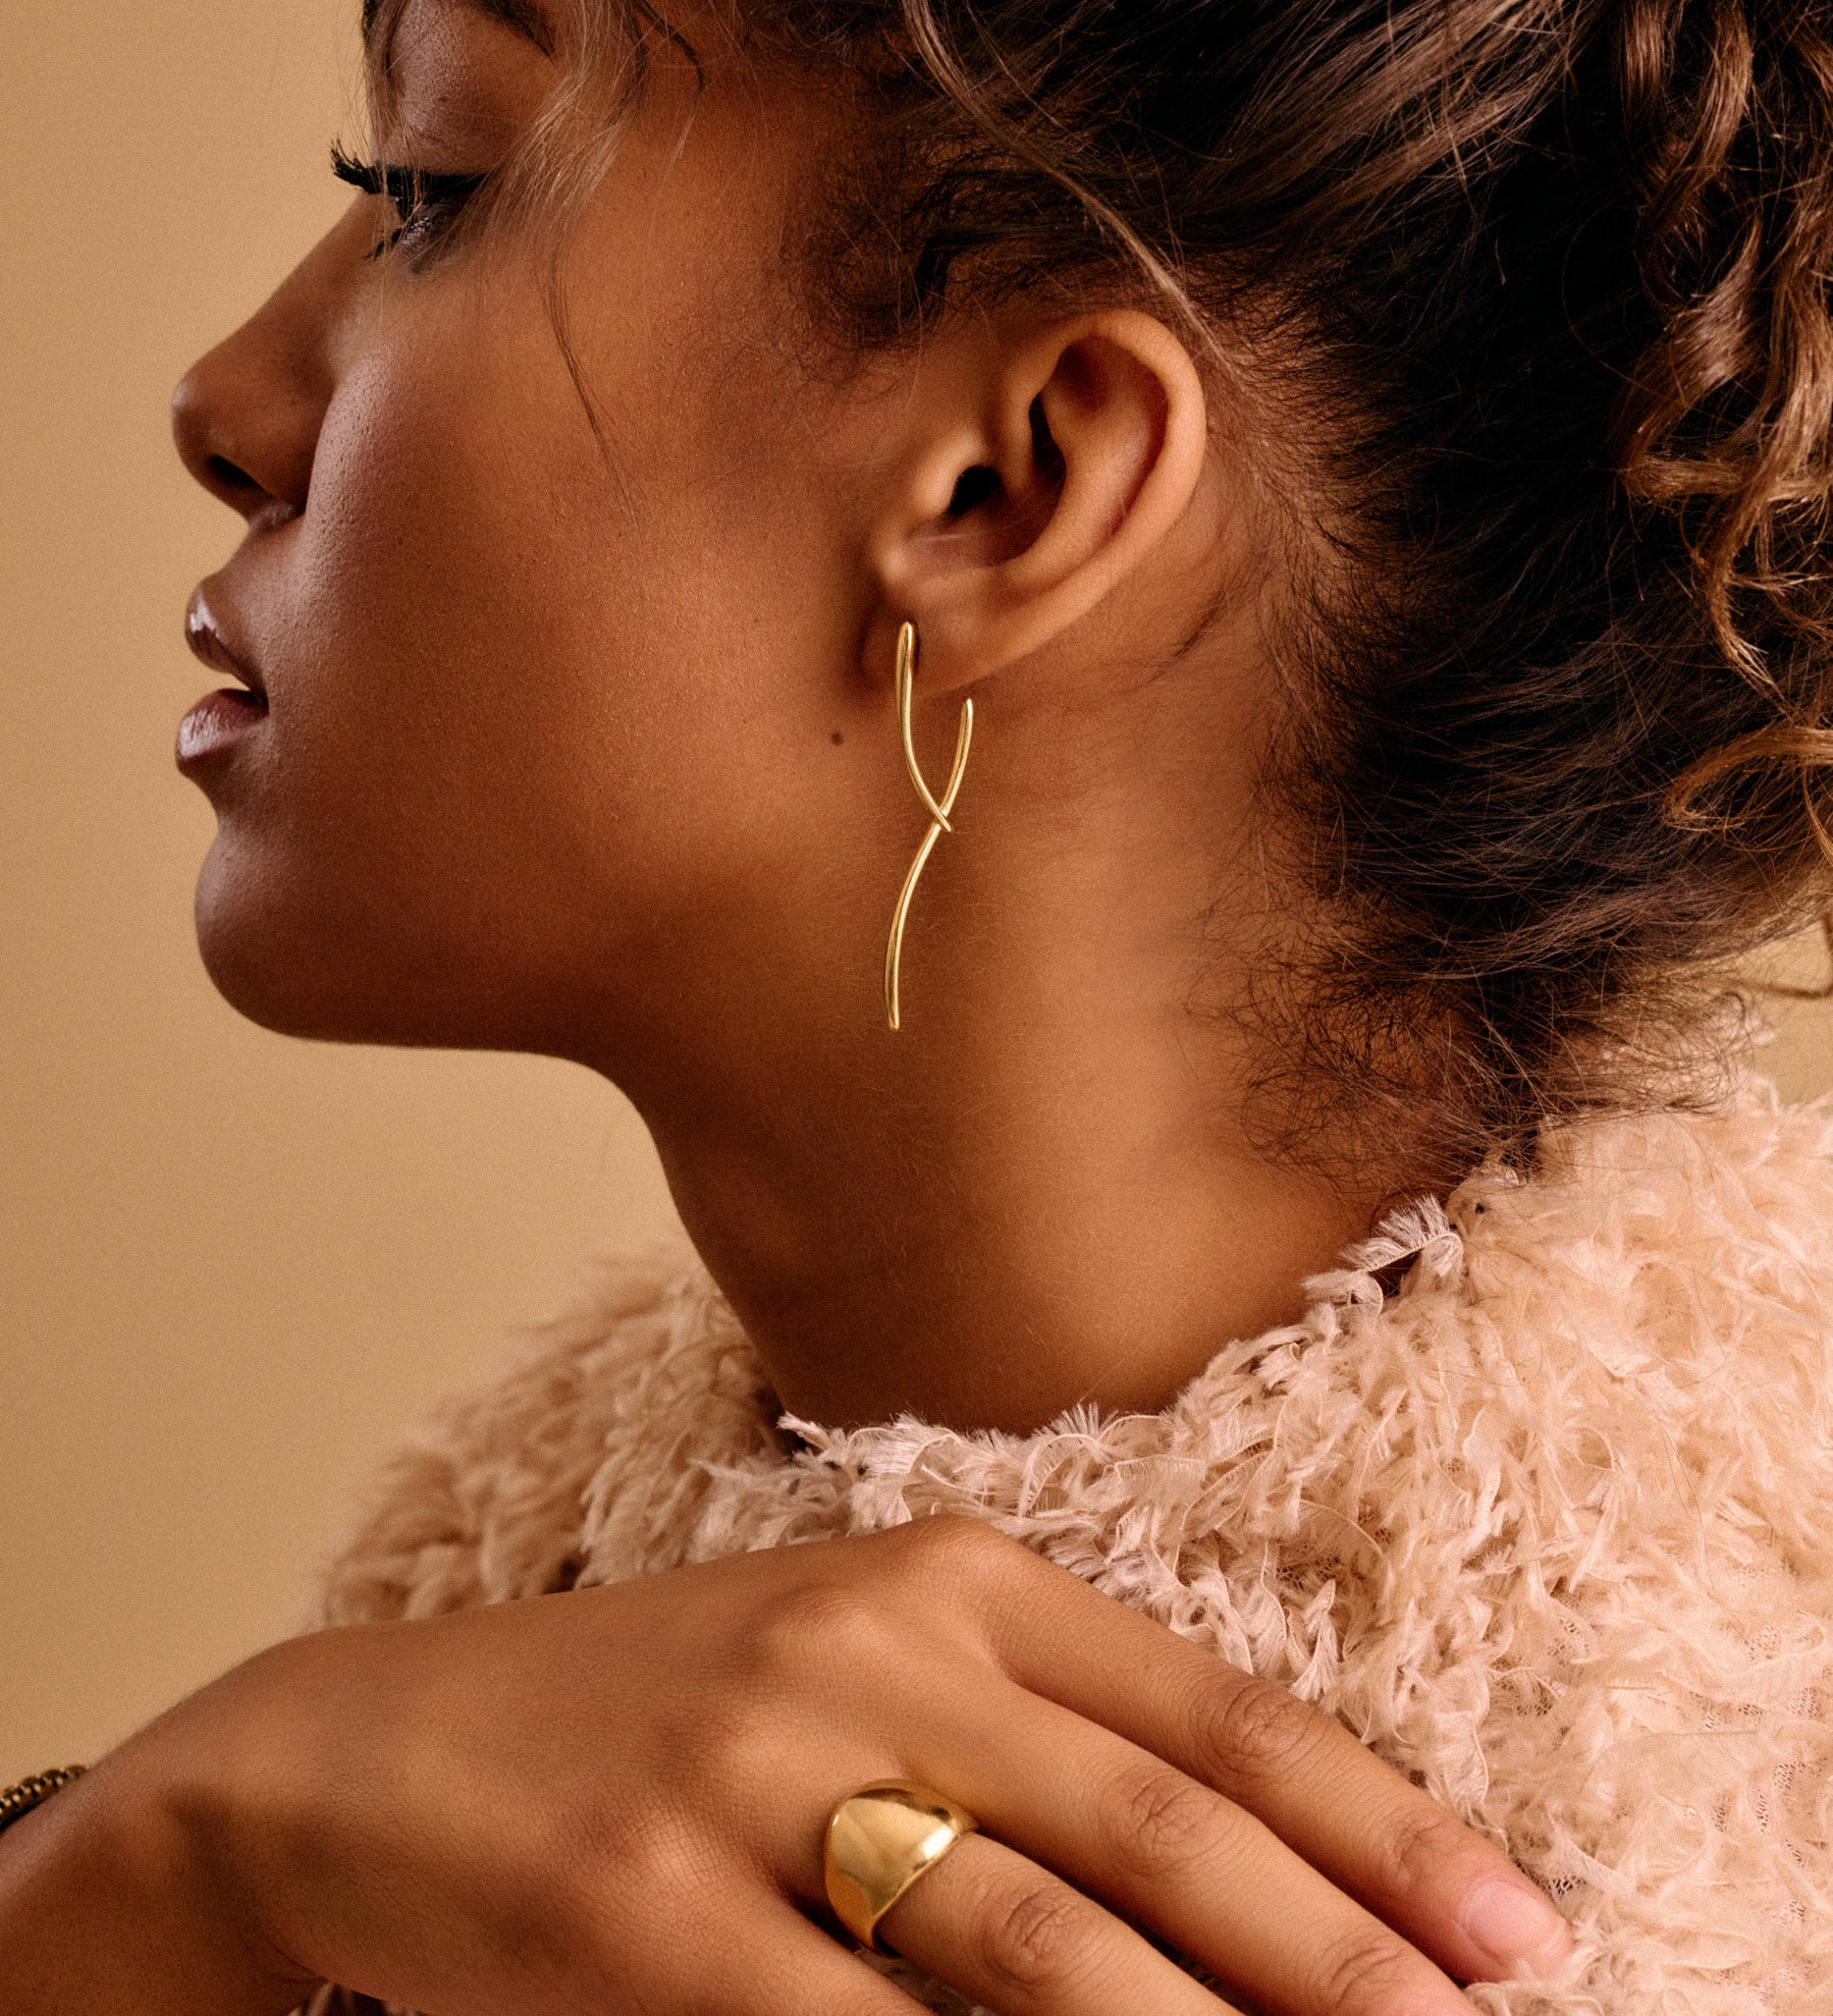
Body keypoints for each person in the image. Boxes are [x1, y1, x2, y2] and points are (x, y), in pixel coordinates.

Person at [3, 0, 1831, 2007]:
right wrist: (153, 1857)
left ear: (1006, 489)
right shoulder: (454, 1675)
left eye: (430, 187)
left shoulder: (1638, 1864)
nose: (225, 397)